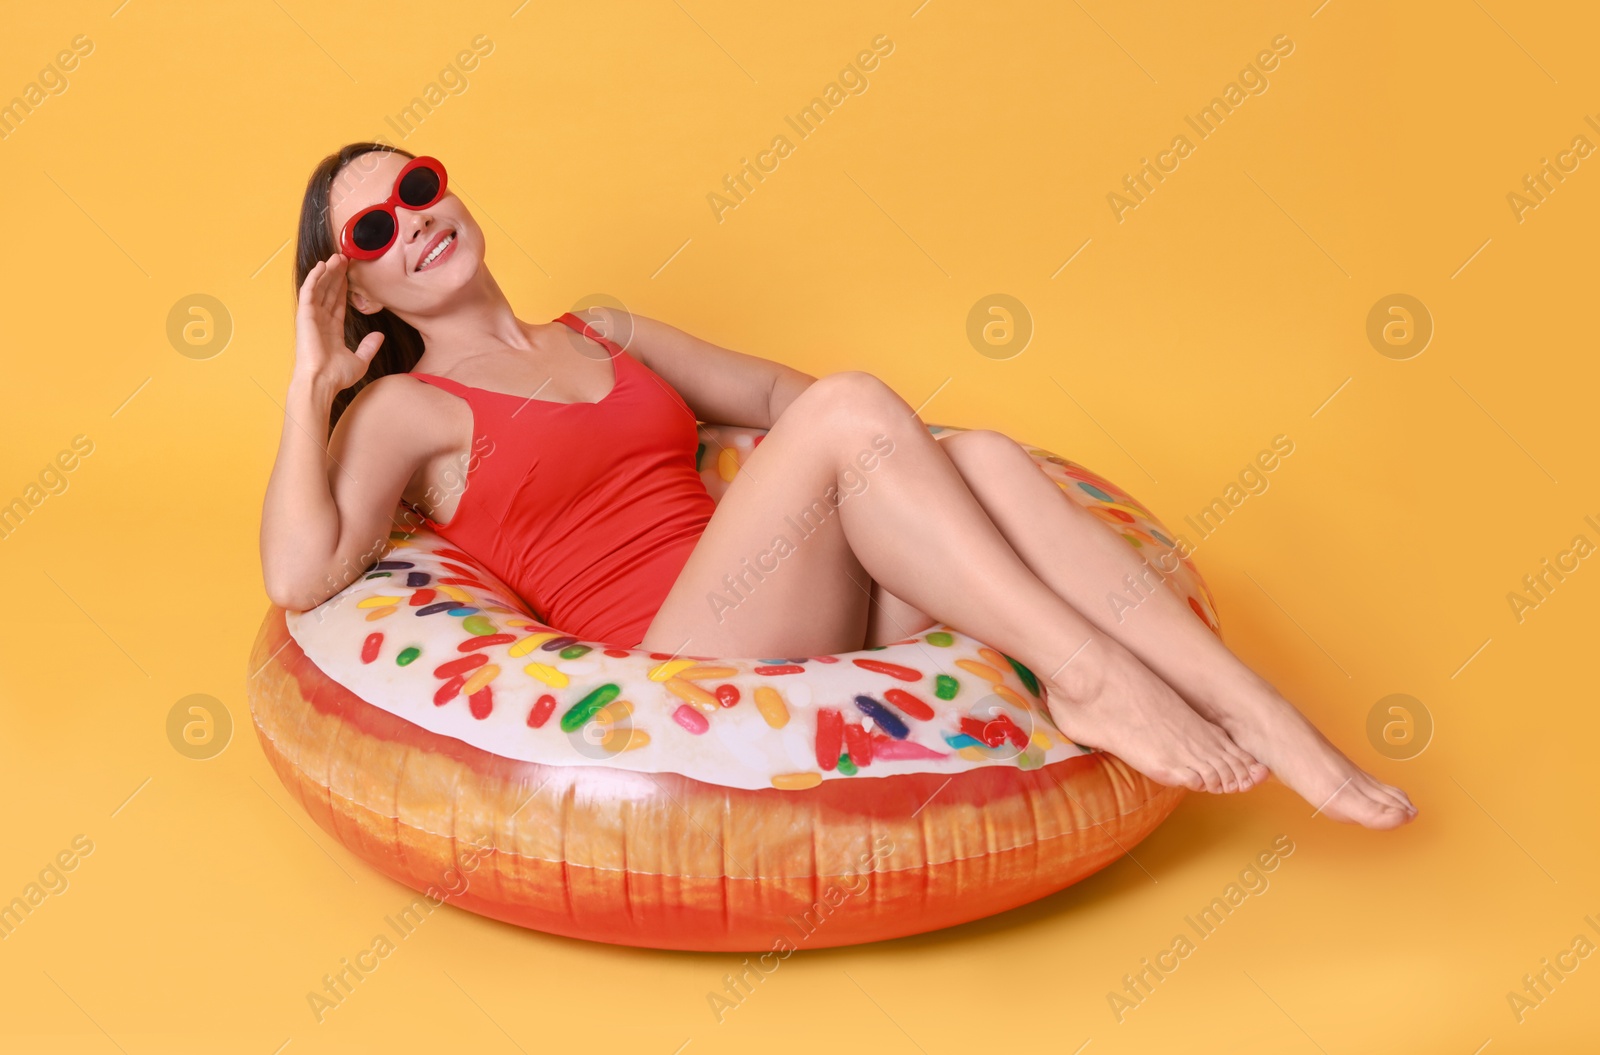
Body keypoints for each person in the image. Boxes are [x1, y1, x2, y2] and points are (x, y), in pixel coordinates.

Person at [260, 143, 1417, 830]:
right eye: (374, 227)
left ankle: (1261, 709)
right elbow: (300, 571)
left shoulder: (600, 330)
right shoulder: (403, 412)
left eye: (419, 186)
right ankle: (1090, 675)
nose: (414, 222)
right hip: (682, 661)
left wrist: (851, 472)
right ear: (355, 290)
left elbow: (780, 397)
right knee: (855, 409)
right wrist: (310, 384)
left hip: (797, 605)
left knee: (983, 458)